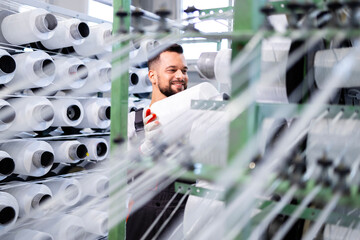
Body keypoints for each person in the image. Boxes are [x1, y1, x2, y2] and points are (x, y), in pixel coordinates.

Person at [126, 43, 191, 240]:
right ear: (152, 76)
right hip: (142, 220)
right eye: (172, 70)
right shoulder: (134, 121)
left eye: (184, 70)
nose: (180, 76)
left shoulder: (194, 119)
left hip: (184, 218)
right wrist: (145, 150)